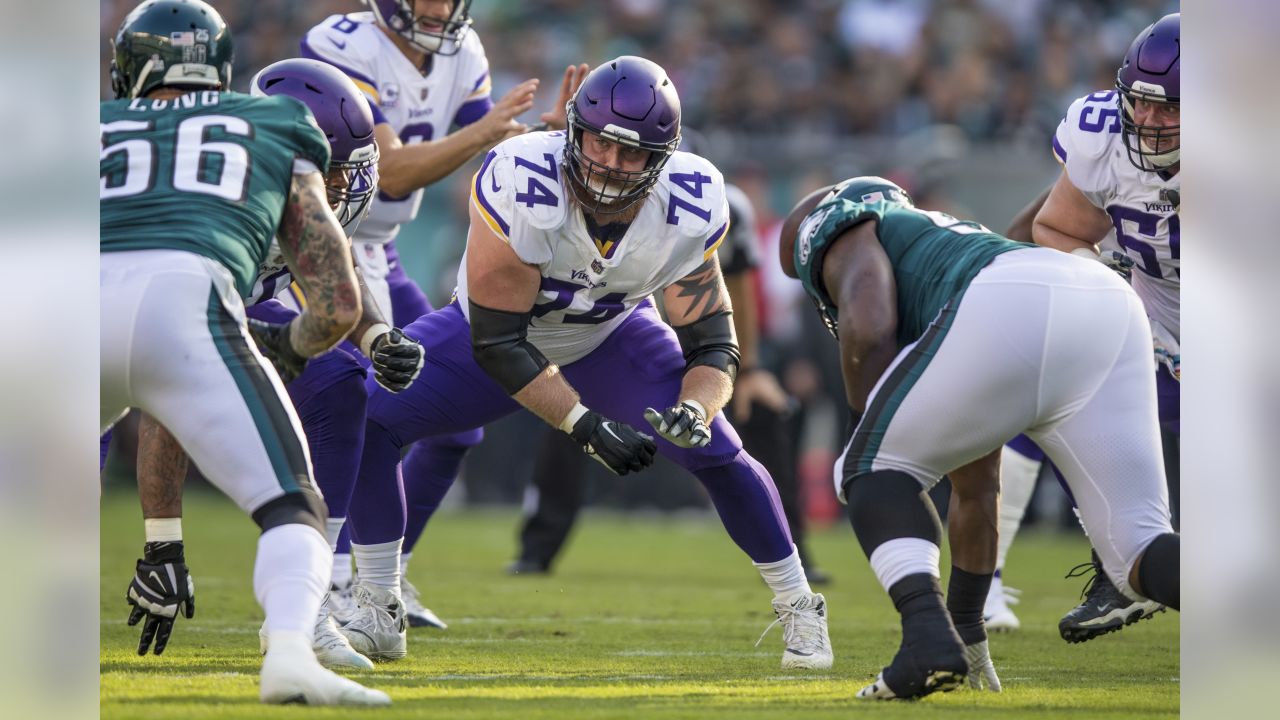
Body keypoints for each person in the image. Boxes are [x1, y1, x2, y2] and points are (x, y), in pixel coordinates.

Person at [348, 56, 832, 668]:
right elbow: (499, 342)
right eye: (601, 143)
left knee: (719, 451)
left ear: (663, 159)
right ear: (575, 132)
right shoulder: (522, 177)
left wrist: (697, 407)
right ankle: (377, 600)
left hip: (610, 334)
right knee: (365, 411)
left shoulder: (691, 199)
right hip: (493, 338)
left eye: (632, 155)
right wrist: (583, 425)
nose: (610, 163)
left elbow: (712, 340)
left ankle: (800, 608)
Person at [779, 175, 1179, 700]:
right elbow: (978, 488)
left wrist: (867, 431)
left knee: (864, 468)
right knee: (1137, 552)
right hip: (1103, 300)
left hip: (1011, 302)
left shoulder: (845, 229)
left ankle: (924, 641)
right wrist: (969, 632)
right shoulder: (941, 253)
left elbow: (871, 326)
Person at [101, 0, 388, 706]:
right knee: (293, 506)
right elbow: (340, 305)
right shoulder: (274, 124)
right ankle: (290, 650)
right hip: (189, 305)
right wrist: (283, 346)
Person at [300, 0, 588, 631]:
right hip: (311, 245)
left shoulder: (467, 52)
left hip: (379, 249)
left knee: (455, 428)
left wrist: (553, 144)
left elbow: (487, 164)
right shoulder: (344, 43)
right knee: (349, 409)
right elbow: (391, 175)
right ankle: (326, 578)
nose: (436, 8)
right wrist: (487, 133)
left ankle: (384, 580)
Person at [506, 134, 827, 583]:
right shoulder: (584, 193)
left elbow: (731, 290)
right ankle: (537, 549)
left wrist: (748, 369)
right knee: (567, 421)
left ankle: (794, 554)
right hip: (605, 329)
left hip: (680, 342)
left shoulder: (714, 207)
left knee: (747, 423)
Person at [984, 14, 1181, 642]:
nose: (1147, 121)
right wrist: (1105, 294)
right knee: (1040, 406)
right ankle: (1002, 576)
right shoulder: (1102, 134)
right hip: (1152, 313)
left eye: (1168, 107)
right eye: (1141, 103)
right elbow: (1058, 228)